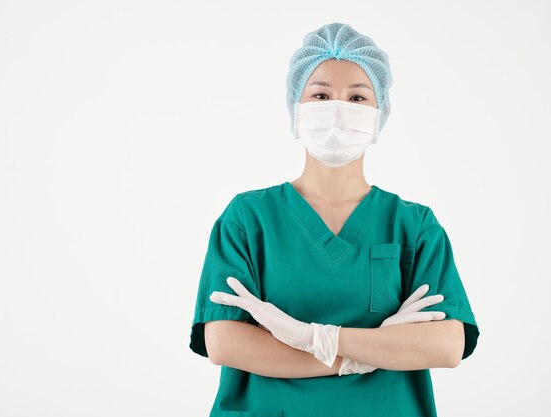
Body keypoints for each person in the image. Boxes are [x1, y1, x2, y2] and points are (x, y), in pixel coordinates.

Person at [188, 22, 480, 417]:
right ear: (296, 107)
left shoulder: (413, 225)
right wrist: (357, 356)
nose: (339, 110)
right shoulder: (248, 219)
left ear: (380, 115)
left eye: (358, 97)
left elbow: (447, 345)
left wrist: (315, 337)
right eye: (321, 94)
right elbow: (225, 343)